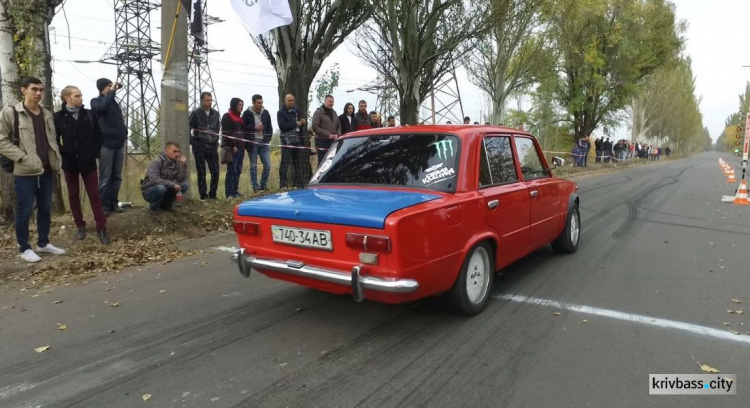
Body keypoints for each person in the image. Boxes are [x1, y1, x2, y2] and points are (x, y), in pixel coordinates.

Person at [0, 77, 66, 262]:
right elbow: (1, 140)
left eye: (41, 90)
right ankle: (24, 248)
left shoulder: (46, 114)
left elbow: (51, 140)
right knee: (25, 209)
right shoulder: (11, 113)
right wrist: (21, 157)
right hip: (25, 171)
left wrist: (56, 160)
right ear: (23, 90)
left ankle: (43, 243)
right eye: (34, 89)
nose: (38, 93)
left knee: (45, 207)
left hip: (46, 168)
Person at [54, 85, 109, 244]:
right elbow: (54, 139)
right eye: (77, 96)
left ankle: (101, 227)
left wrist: (92, 151)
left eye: (81, 95)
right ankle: (80, 225)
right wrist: (64, 151)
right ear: (67, 98)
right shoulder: (58, 117)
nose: (81, 98)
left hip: (88, 160)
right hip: (70, 161)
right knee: (73, 194)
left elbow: (99, 136)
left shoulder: (89, 115)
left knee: (94, 193)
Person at [91, 78, 127, 216]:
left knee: (116, 176)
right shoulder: (96, 101)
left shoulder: (114, 103)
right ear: (102, 88)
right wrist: (111, 92)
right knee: (105, 177)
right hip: (106, 145)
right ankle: (103, 206)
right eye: (109, 86)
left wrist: (124, 132)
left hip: (119, 144)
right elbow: (102, 108)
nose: (112, 88)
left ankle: (113, 203)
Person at [188, 91, 220, 200]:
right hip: (200, 145)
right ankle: (203, 194)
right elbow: (188, 127)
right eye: (207, 100)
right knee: (201, 171)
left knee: (215, 171)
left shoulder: (215, 114)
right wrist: (193, 142)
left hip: (212, 146)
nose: (210, 102)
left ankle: (213, 194)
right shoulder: (195, 113)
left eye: (211, 100)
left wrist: (216, 142)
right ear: (202, 100)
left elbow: (217, 129)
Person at [141, 142, 189, 212]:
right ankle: (154, 209)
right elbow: (154, 180)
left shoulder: (177, 162)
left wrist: (184, 166)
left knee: (184, 185)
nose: (177, 154)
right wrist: (172, 184)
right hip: (150, 189)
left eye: (179, 152)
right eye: (174, 151)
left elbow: (180, 179)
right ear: (166, 151)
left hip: (165, 188)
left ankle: (166, 204)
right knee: (160, 188)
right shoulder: (157, 161)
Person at [242, 94, 273, 192]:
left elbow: (269, 128)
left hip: (264, 143)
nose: (260, 104)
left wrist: (267, 139)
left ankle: (263, 185)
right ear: (253, 103)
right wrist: (253, 128)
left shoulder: (266, 113)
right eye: (258, 103)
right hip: (252, 143)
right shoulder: (247, 114)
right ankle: (255, 187)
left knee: (267, 165)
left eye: (261, 102)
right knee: (253, 166)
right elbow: (243, 127)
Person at [278, 93, 307, 188]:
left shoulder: (297, 110)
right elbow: (283, 126)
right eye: (289, 101)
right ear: (285, 101)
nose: (291, 102)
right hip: (287, 139)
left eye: (292, 100)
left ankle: (298, 183)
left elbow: (301, 122)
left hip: (298, 138)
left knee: (297, 161)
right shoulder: (281, 113)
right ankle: (283, 184)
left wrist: (303, 122)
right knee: (285, 162)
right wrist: (296, 124)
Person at [221, 98, 245, 198]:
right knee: (232, 170)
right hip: (233, 149)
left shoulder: (239, 118)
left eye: (242, 105)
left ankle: (235, 190)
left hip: (241, 147)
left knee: (238, 170)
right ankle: (229, 193)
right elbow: (227, 133)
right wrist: (233, 145)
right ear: (234, 105)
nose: (241, 107)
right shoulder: (227, 116)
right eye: (239, 105)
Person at [312, 94, 342, 166]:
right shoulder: (318, 113)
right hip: (322, 141)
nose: (331, 103)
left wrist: (337, 134)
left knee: (332, 162)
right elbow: (315, 127)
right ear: (325, 101)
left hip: (333, 141)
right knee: (322, 162)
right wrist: (328, 135)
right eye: (330, 102)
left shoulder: (334, 113)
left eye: (332, 102)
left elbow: (339, 125)